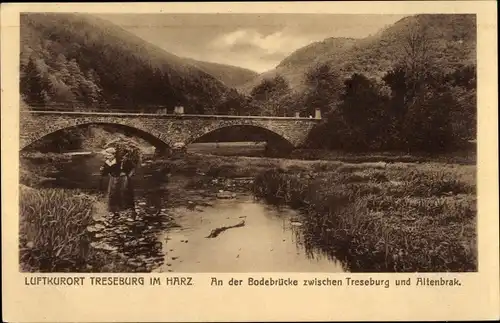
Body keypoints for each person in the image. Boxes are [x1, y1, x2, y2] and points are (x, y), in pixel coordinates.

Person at [100, 147, 136, 215]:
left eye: (110, 156)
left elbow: (131, 168)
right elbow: (105, 173)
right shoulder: (107, 162)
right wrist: (102, 170)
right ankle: (112, 210)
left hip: (122, 179)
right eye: (107, 156)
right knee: (112, 193)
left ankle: (125, 209)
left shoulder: (120, 161)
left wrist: (128, 176)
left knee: (123, 192)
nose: (108, 157)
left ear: (113, 155)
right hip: (113, 179)